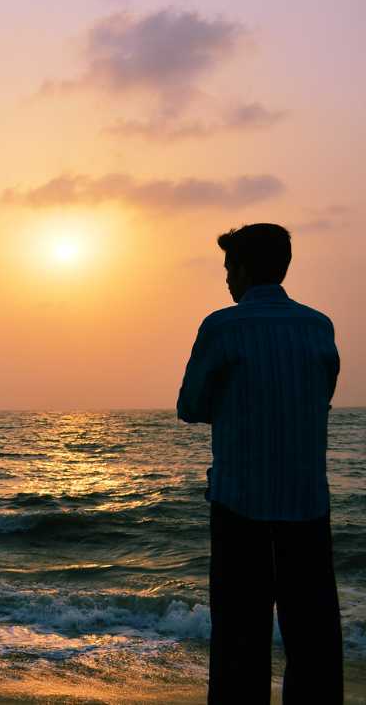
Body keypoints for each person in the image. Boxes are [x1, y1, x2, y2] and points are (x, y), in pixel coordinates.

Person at [177, 223, 342, 702]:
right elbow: (322, 394)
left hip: (240, 502)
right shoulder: (318, 326)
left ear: (245, 270)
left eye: (230, 268)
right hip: (307, 503)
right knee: (313, 640)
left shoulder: (223, 326)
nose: (227, 280)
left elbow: (189, 406)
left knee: (238, 639)